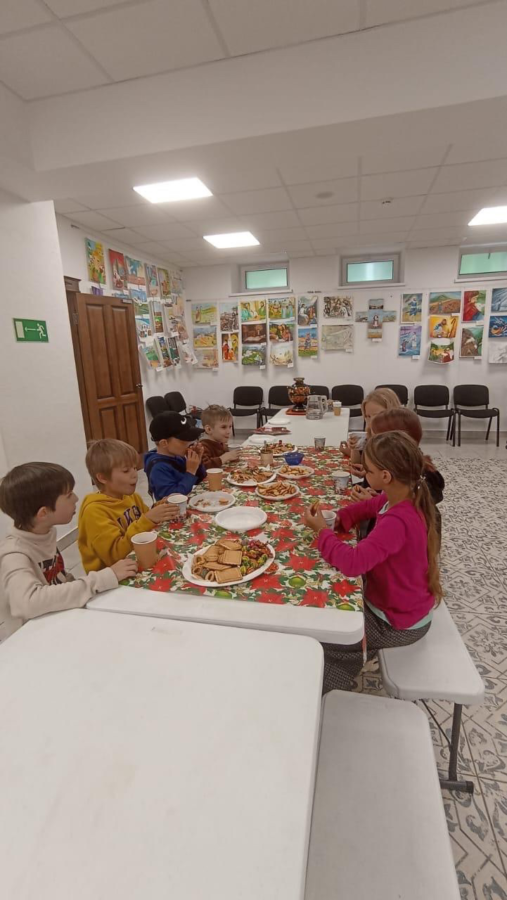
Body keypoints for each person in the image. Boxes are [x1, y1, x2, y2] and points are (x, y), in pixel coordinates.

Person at [304, 432, 442, 693]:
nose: (364, 473)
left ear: (385, 476)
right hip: (403, 607)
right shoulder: (403, 496)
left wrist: (322, 531)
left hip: (395, 623)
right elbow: (367, 507)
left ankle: (321, 686)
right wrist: (339, 519)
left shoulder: (398, 521)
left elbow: (353, 563)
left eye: (368, 470)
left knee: (325, 630)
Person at [0, 462, 137, 642]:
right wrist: (102, 578)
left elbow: (59, 580)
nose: (76, 498)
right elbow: (27, 603)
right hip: (34, 639)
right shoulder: (14, 554)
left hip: (61, 619)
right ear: (43, 513)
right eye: (69, 495)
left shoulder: (44, 532)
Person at [78, 438, 177, 573]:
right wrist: (148, 519)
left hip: (139, 559)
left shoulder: (131, 496)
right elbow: (115, 556)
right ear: (103, 478)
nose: (135, 474)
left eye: (135, 468)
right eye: (126, 471)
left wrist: (161, 506)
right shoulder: (94, 512)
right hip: (114, 577)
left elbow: (146, 523)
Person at [351, 407, 445, 507]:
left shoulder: (417, 479)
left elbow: (403, 511)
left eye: (376, 439)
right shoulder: (400, 463)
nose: (371, 443)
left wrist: (373, 503)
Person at [144, 411, 206, 501]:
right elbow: (174, 499)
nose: (190, 443)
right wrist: (191, 471)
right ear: (164, 443)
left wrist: (198, 463)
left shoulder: (177, 456)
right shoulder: (158, 468)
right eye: (183, 440)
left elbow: (200, 481)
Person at [341, 387, 401, 467]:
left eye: (377, 415)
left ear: (392, 412)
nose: (371, 421)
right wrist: (354, 449)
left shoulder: (398, 441)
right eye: (368, 416)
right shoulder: (370, 434)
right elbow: (357, 463)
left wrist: (367, 471)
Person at [199, 405, 241, 471]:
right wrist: (224, 457)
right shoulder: (202, 447)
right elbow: (204, 466)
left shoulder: (219, 442)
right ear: (209, 429)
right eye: (223, 427)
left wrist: (227, 451)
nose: (228, 431)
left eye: (230, 426)